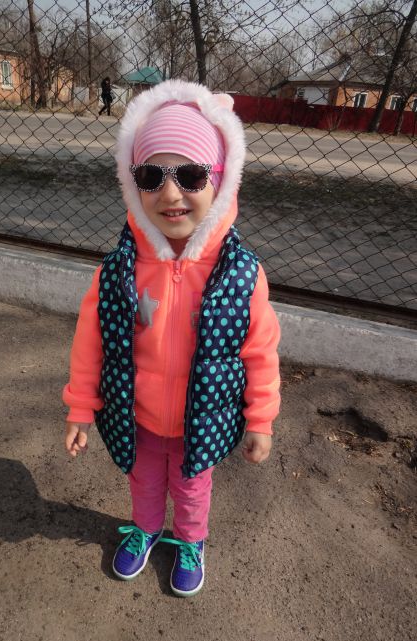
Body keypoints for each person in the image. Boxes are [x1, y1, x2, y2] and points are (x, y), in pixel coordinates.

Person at [63, 80, 281, 598]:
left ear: (220, 181)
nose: (170, 193)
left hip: (198, 422)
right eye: (151, 176)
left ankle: (190, 540)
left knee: (192, 487)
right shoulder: (119, 271)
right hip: (136, 415)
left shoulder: (239, 274)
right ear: (132, 183)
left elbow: (260, 351)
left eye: (190, 175)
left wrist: (261, 419)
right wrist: (80, 407)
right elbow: (91, 343)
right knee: (143, 480)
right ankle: (144, 529)